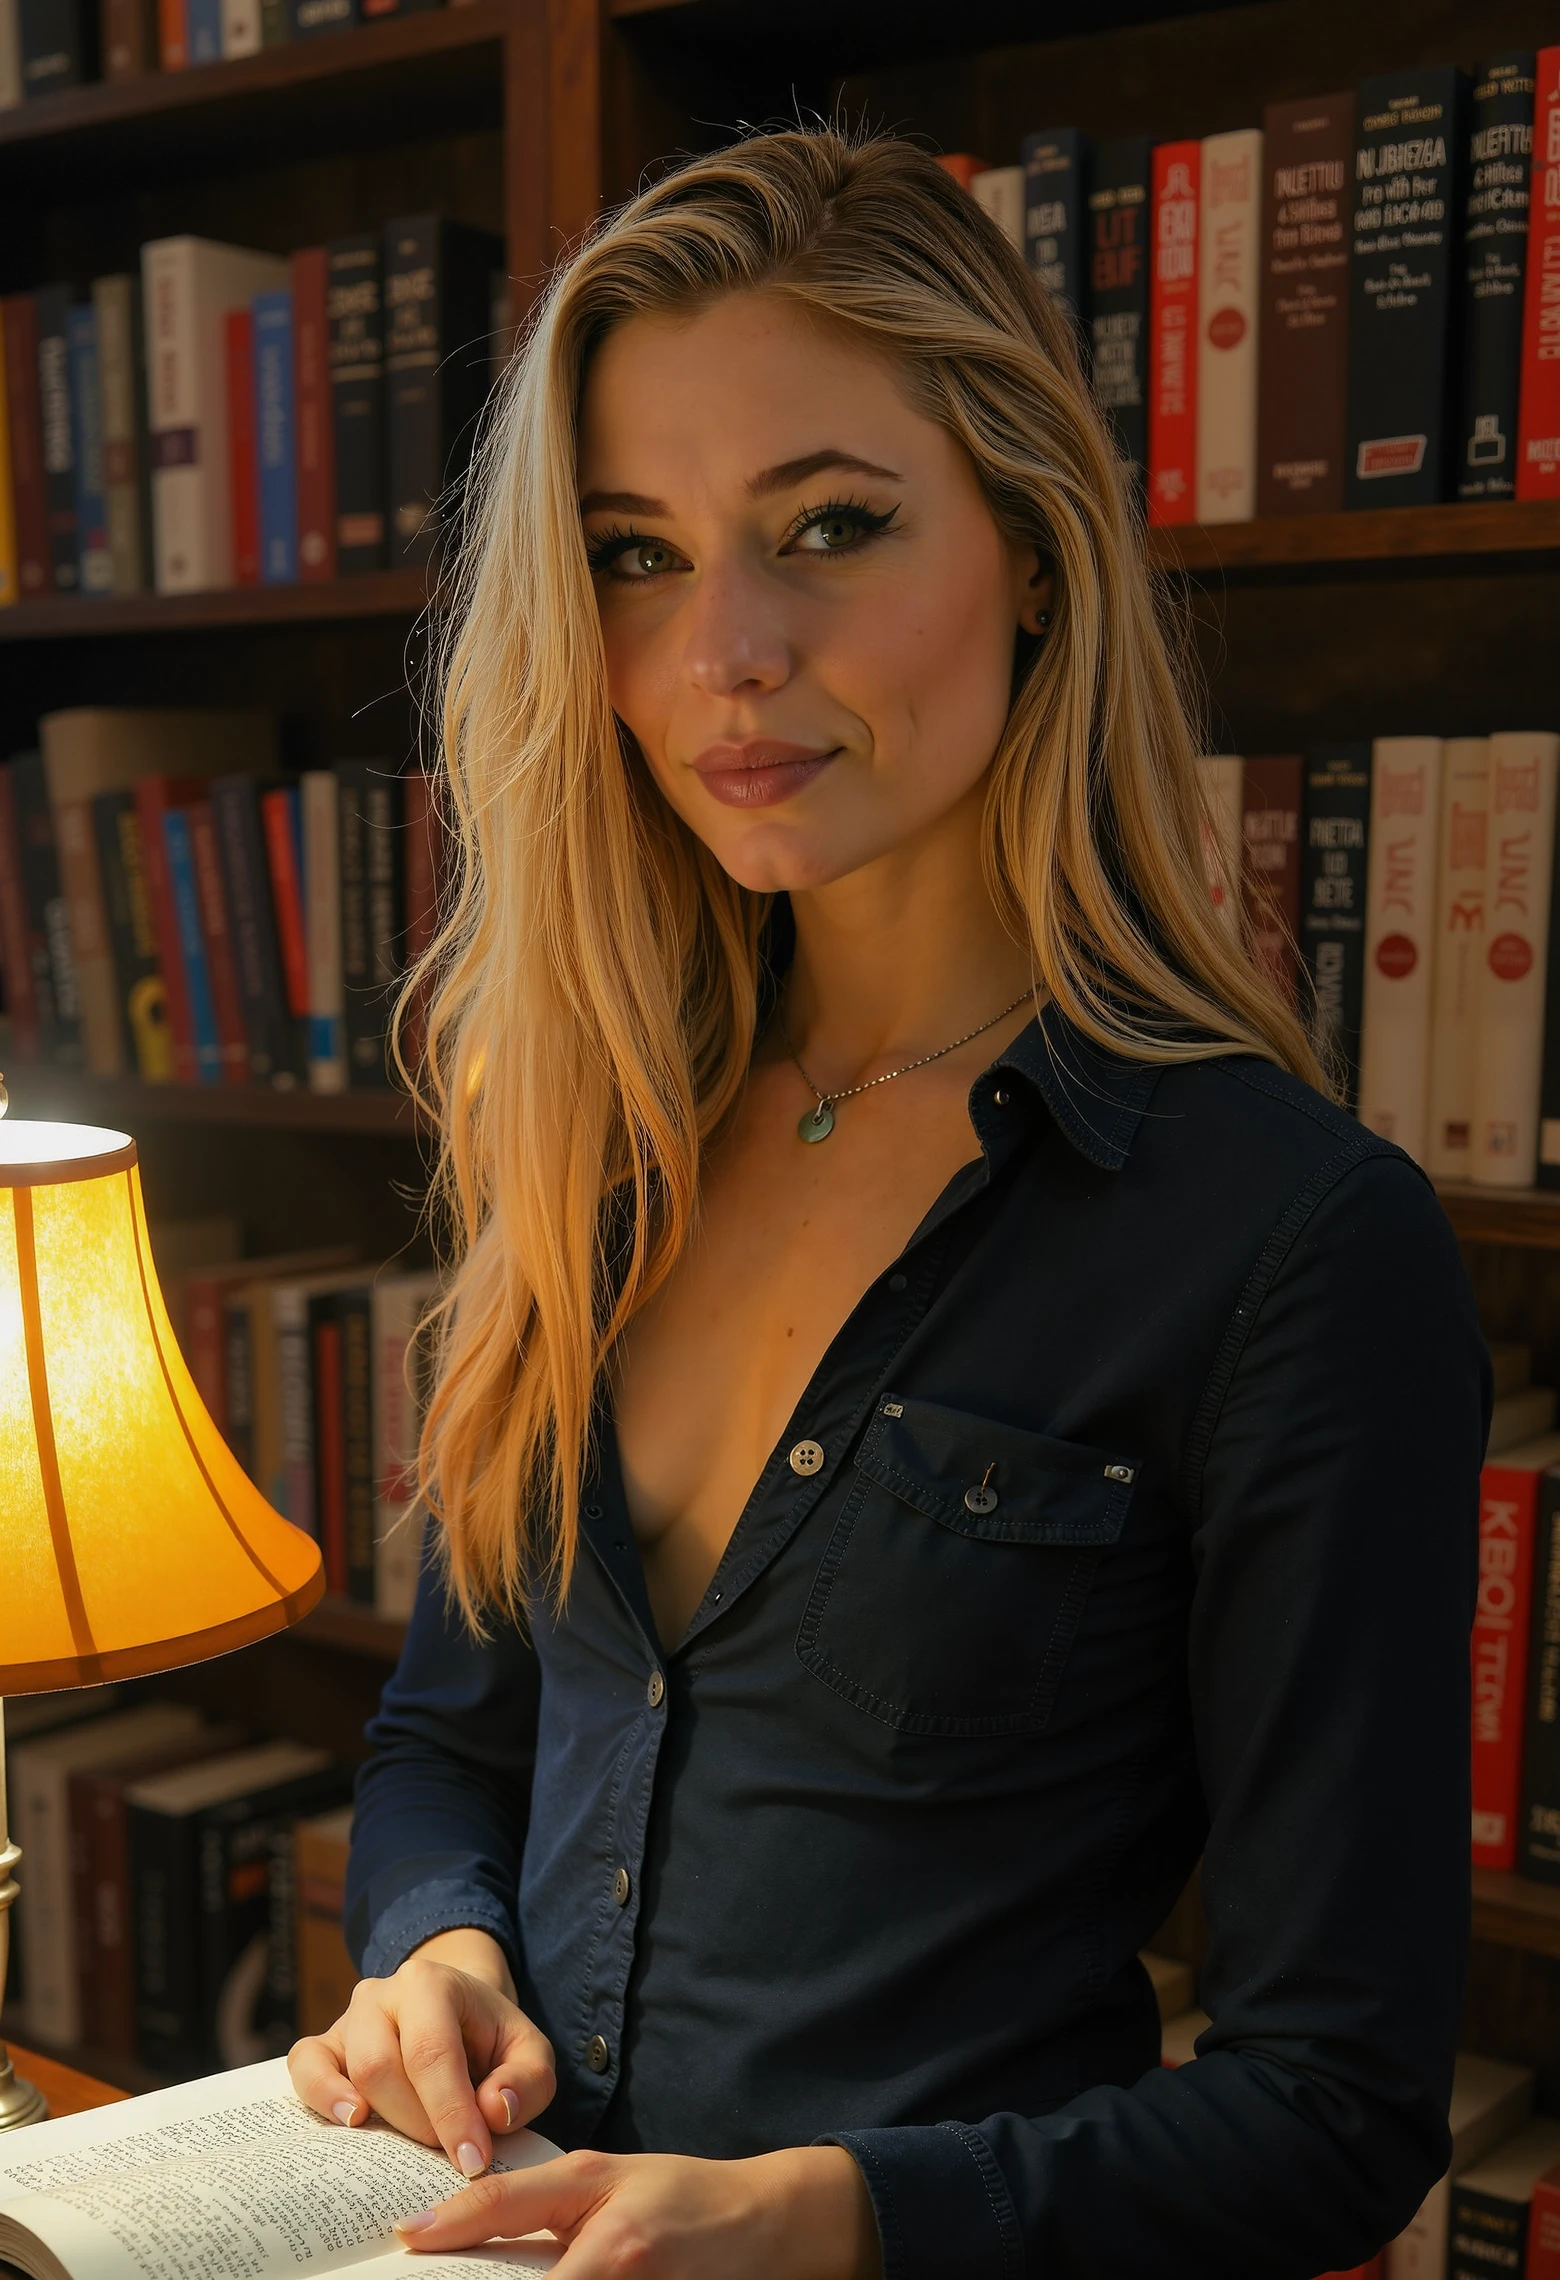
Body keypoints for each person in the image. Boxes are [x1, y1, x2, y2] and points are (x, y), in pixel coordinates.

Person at [287, 128, 1487, 2280]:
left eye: (829, 526)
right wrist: (433, 1947)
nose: (724, 649)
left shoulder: (1295, 1244)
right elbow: (446, 1740)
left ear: (1031, 548)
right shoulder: (593, 1123)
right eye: (634, 553)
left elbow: (1336, 2103)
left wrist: (809, 2219)